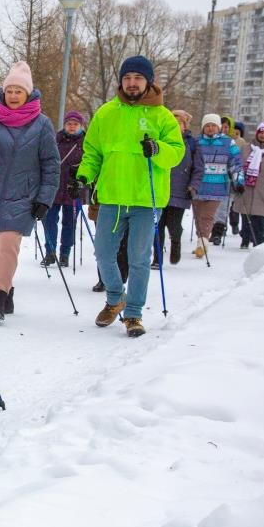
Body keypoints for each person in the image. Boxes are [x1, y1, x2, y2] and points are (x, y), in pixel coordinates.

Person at [75, 55, 183, 337]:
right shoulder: (106, 113)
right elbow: (93, 151)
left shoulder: (162, 116)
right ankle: (115, 297)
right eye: (127, 78)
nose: (132, 83)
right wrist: (84, 175)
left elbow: (177, 152)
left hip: (146, 199)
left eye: (137, 78)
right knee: (103, 253)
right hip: (111, 196)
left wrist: (158, 149)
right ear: (121, 81)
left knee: (138, 258)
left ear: (148, 81)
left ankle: (133, 314)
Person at [0, 62, 59, 321]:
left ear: (28, 94)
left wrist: (45, 199)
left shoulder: (41, 124)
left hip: (22, 197)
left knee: (7, 246)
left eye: (18, 91)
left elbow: (51, 164)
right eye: (9, 90)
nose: (13, 95)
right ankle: (8, 291)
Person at [190, 113, 243, 259]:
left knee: (207, 216)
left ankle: (203, 242)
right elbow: (189, 162)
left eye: (213, 125)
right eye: (207, 126)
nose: (210, 128)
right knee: (198, 216)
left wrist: (239, 181)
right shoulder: (196, 142)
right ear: (203, 128)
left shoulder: (228, 143)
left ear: (219, 127)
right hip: (197, 186)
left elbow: (236, 164)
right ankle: (201, 240)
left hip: (217, 186)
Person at [153, 109, 200, 267]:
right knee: (157, 225)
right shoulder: (161, 140)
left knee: (173, 224)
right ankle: (157, 258)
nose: (175, 125)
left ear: (185, 126)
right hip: (160, 189)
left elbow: (198, 168)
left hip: (180, 191)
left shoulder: (192, 144)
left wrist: (193, 186)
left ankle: (176, 241)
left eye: (179, 122)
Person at [41, 110, 86, 268]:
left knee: (70, 223)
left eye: (75, 124)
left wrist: (80, 176)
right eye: (69, 124)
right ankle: (50, 252)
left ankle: (65, 253)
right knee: (49, 220)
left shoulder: (85, 143)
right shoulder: (56, 140)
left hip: (73, 189)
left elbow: (90, 164)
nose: (72, 127)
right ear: (64, 125)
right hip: (54, 188)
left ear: (81, 126)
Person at [211, 115, 247, 243]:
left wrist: (238, 178)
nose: (224, 129)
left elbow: (239, 161)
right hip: (213, 178)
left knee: (224, 207)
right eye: (222, 126)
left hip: (229, 179)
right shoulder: (213, 139)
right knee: (213, 207)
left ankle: (218, 232)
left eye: (227, 127)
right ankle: (214, 228)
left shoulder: (237, 142)